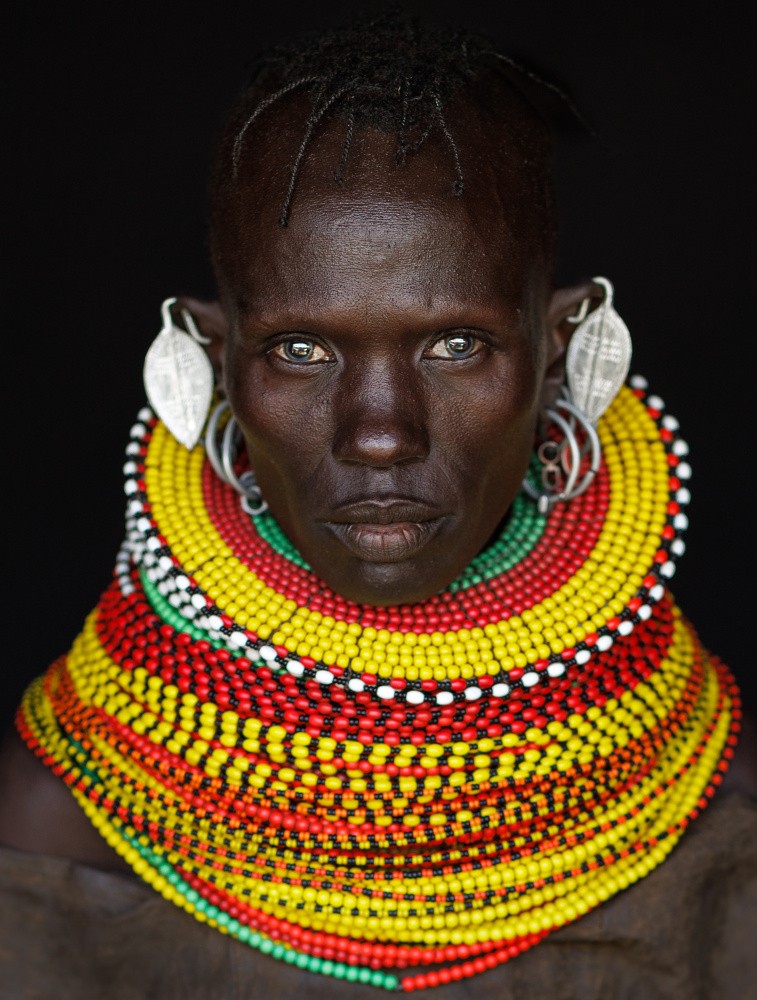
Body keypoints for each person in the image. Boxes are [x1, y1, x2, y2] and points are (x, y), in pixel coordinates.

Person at [1, 13, 755, 999]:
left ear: (561, 348)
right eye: (301, 350)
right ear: (212, 360)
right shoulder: (63, 825)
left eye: (455, 345)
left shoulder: (716, 821)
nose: (380, 433)